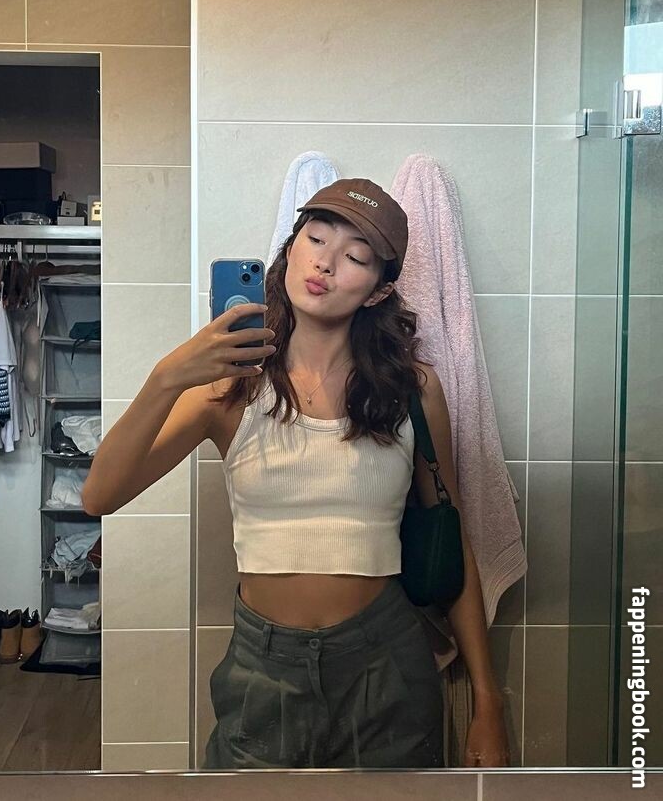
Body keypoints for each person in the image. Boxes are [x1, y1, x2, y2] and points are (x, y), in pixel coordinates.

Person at [82, 177, 511, 770]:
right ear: (290, 250)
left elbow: (452, 537)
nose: (326, 262)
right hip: (264, 663)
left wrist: (488, 702)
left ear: (380, 291)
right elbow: (100, 495)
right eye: (315, 237)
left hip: (386, 659)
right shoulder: (229, 387)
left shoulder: (411, 390)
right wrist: (166, 378)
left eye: (356, 256)